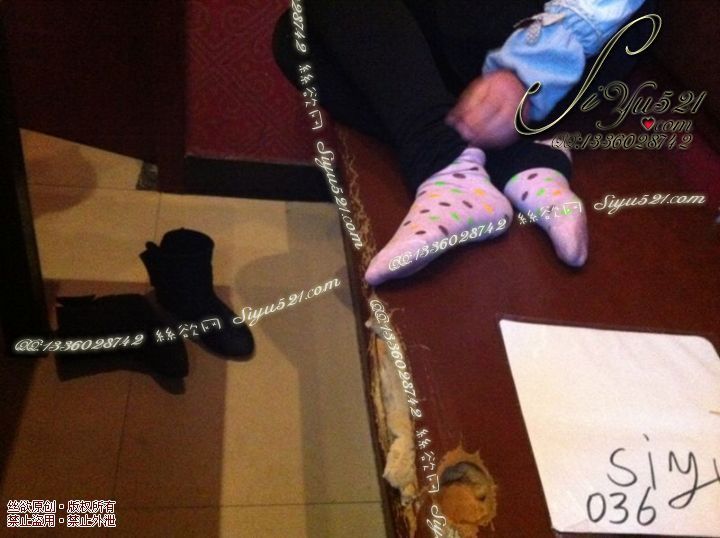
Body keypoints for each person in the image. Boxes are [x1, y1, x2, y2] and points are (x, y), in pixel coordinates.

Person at [273, 0, 651, 285]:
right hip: (471, 36)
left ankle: (451, 164)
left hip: (565, 46)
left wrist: (527, 71)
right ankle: (500, 160)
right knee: (296, 38)